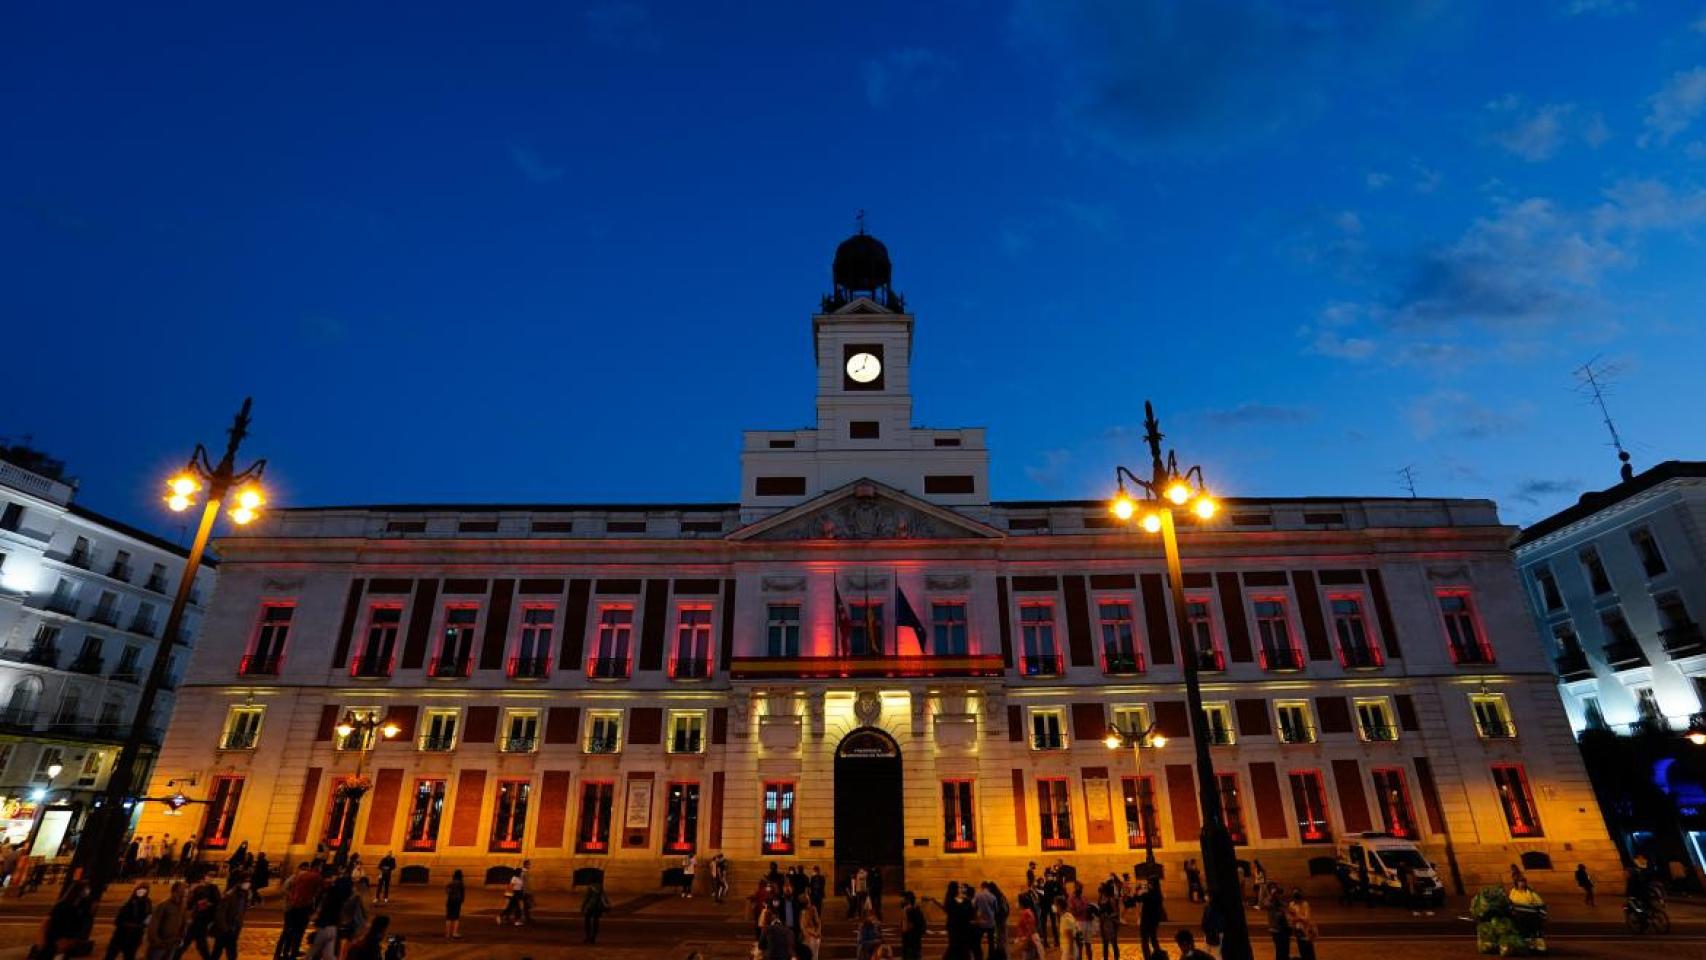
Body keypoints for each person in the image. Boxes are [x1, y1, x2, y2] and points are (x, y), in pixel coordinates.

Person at [277, 863, 322, 960]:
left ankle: (291, 952)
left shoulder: (301, 879)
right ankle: (282, 953)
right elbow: (284, 889)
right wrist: (292, 897)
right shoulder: (294, 878)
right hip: (292, 907)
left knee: (294, 932)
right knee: (288, 931)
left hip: (296, 907)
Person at [42, 882, 96, 960]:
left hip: (67, 941)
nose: (87, 892)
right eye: (85, 890)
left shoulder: (79, 908)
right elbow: (49, 921)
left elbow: (79, 924)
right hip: (57, 940)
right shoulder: (63, 905)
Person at [104, 884, 152, 960]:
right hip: (121, 935)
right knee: (111, 955)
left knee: (129, 956)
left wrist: (144, 925)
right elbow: (118, 920)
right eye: (141, 890)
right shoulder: (129, 902)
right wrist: (130, 925)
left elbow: (149, 915)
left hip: (135, 936)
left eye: (145, 890)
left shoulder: (147, 903)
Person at [208, 880, 249, 960]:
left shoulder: (244, 895)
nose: (248, 884)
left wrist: (238, 925)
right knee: (219, 952)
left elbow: (241, 912)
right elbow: (220, 914)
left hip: (233, 929)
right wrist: (225, 928)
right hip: (225, 930)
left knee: (229, 953)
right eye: (246, 882)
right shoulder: (230, 895)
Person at [147, 882, 188, 960]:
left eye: (184, 892)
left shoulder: (183, 907)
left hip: (173, 943)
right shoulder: (163, 905)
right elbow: (154, 924)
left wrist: (180, 938)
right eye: (180, 892)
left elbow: (183, 923)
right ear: (173, 892)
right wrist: (156, 941)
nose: (182, 895)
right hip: (160, 944)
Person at [1138, 877, 1165, 960]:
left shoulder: (1148, 894)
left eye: (1149, 883)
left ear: (1151, 884)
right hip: (1154, 920)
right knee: (1153, 939)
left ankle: (1148, 957)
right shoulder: (1158, 894)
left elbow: (1138, 898)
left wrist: (1141, 892)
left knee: (1145, 941)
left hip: (1146, 920)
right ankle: (1159, 956)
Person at [1286, 888, 1316, 960]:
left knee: (1309, 950)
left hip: (1305, 930)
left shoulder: (1305, 904)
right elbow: (1290, 917)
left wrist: (1297, 917)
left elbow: (1307, 918)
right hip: (1297, 929)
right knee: (1301, 948)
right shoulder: (1292, 904)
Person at [1265, 885, 1292, 960]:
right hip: (1276, 929)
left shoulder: (1281, 900)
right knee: (1279, 948)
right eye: (1276, 892)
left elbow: (1287, 906)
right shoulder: (1269, 901)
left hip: (1285, 928)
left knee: (1286, 947)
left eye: (1278, 892)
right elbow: (1266, 904)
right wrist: (1272, 896)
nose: (1278, 894)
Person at [898, 891, 925, 960]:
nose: (900, 901)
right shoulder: (917, 911)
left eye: (902, 899)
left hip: (910, 947)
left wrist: (904, 914)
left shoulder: (911, 912)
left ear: (908, 900)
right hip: (914, 945)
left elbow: (904, 928)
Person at [1096, 888, 1121, 960]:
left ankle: (1116, 957)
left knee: (1113, 942)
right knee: (1105, 943)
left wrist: (1109, 916)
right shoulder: (1100, 899)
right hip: (1103, 923)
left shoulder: (1111, 900)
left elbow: (1116, 912)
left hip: (1110, 923)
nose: (1100, 894)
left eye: (1101, 892)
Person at [800, 896, 823, 960]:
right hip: (809, 936)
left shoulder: (812, 909)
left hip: (812, 937)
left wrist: (817, 933)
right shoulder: (803, 912)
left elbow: (818, 922)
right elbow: (804, 926)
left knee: (813, 956)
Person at [443, 870, 464, 940]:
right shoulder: (461, 884)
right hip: (457, 902)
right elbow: (462, 894)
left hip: (450, 901)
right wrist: (461, 900)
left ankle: (447, 933)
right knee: (456, 918)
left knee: (449, 917)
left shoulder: (451, 883)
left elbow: (447, 890)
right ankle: (454, 932)